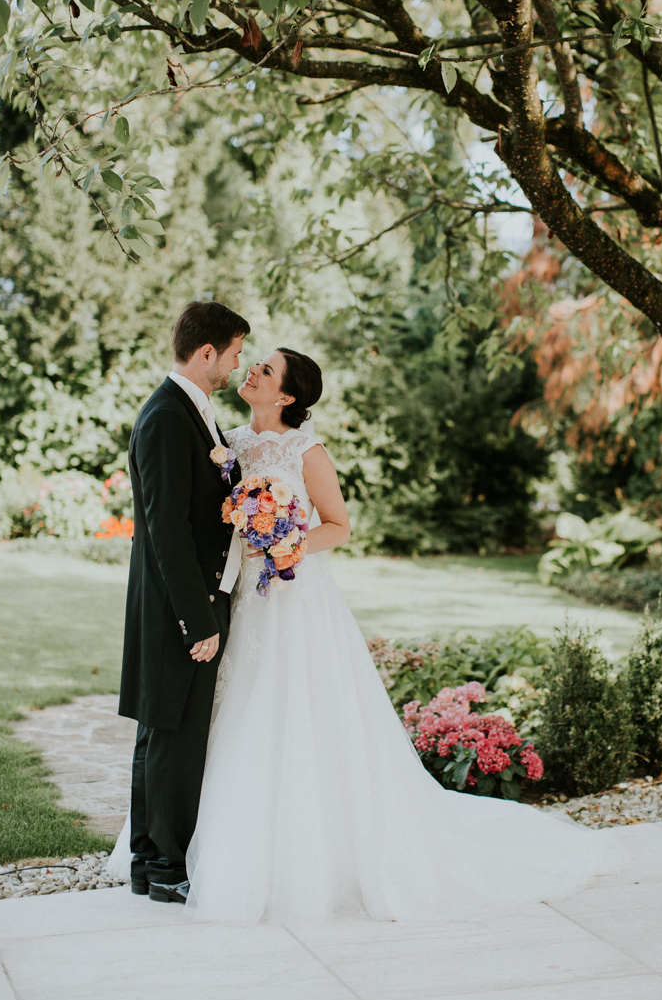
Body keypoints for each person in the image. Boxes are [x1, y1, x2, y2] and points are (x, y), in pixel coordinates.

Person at [182, 348, 616, 924]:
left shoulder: (306, 452)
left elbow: (338, 525)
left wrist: (291, 544)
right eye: (254, 362)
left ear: (286, 396)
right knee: (239, 705)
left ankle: (307, 857)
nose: (252, 371)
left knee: (302, 712)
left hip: (296, 599)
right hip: (245, 599)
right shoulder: (229, 442)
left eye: (265, 369)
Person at [117, 300, 250, 903]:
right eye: (235, 353)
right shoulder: (168, 417)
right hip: (182, 605)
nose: (237, 364)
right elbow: (165, 527)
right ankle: (164, 866)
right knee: (172, 733)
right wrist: (197, 617)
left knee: (167, 732)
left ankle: (153, 863)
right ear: (207, 353)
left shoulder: (193, 410)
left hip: (193, 597)